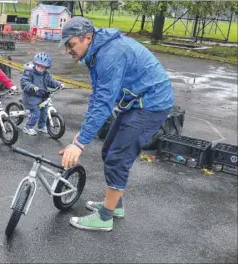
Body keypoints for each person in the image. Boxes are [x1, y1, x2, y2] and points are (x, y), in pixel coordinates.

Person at [58, 17, 174, 231]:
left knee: (117, 158)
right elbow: (97, 97)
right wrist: (81, 136)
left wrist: (80, 143)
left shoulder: (110, 54)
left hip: (151, 104)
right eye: (66, 45)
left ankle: (105, 218)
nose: (68, 50)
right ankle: (116, 205)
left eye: (71, 44)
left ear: (88, 37)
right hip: (135, 103)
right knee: (108, 151)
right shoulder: (96, 52)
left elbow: (104, 102)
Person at [20, 53, 64, 136]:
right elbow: (24, 82)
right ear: (35, 64)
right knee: (36, 112)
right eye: (38, 66)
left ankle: (41, 126)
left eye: (42, 67)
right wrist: (32, 87)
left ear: (46, 68)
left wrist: (59, 84)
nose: (39, 68)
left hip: (42, 96)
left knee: (44, 112)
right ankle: (28, 127)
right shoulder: (29, 72)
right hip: (31, 97)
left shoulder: (46, 74)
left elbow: (51, 81)